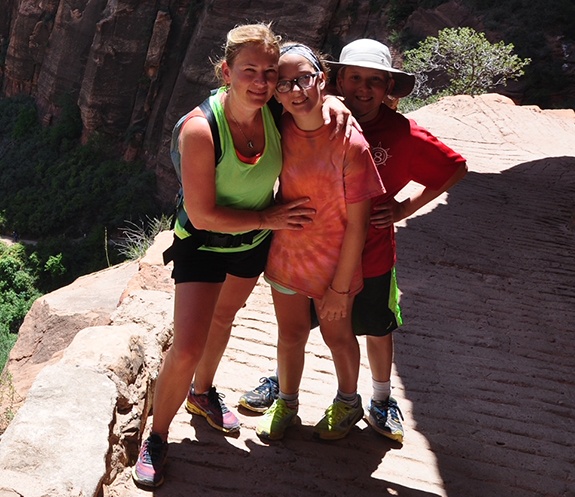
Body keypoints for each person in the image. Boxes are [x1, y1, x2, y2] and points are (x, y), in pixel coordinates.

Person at [132, 23, 354, 488]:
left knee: (224, 319)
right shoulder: (201, 128)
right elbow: (205, 214)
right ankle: (156, 436)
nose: (261, 82)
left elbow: (310, 100)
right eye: (249, 70)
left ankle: (203, 393)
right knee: (188, 345)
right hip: (204, 245)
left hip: (250, 247)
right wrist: (268, 220)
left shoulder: (273, 112)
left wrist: (331, 102)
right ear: (225, 71)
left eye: (270, 73)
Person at [240, 39, 467, 445]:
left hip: (371, 252)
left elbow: (453, 168)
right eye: (355, 78)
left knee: (373, 327)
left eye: (375, 81)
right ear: (338, 80)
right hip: (305, 253)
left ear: (388, 88)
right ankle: (284, 388)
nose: (364, 88)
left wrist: (404, 208)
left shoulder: (392, 132)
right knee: (298, 328)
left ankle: (377, 398)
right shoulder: (300, 116)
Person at [255, 43, 384, 441]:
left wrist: (341, 289)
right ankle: (287, 403)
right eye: (285, 84)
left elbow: (358, 225)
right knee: (290, 335)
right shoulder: (280, 127)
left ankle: (348, 401)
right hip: (288, 255)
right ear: (276, 93)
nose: (296, 91)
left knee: (337, 336)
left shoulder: (351, 142)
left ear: (322, 79)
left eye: (304, 79)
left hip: (334, 262)